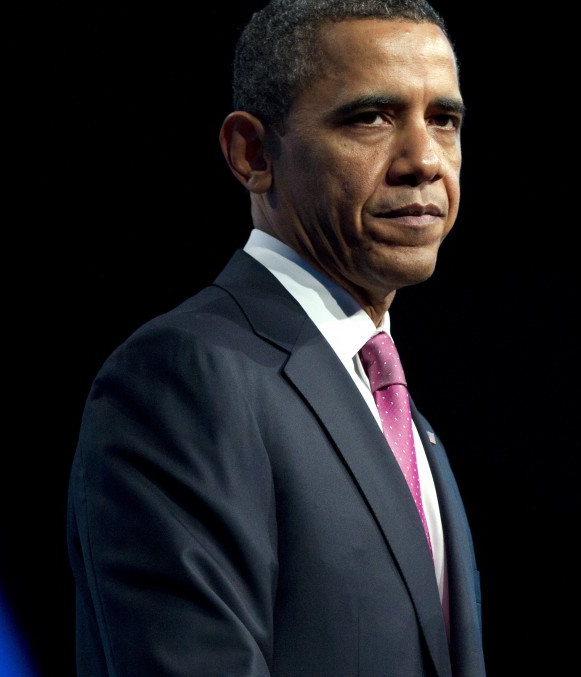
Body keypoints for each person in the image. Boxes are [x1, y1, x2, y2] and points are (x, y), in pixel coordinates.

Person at [66, 0, 485, 675]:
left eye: (444, 120)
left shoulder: (406, 422)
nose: (424, 159)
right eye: (371, 117)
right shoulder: (183, 377)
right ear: (252, 152)